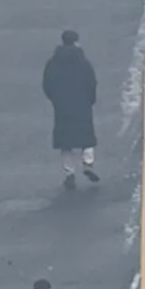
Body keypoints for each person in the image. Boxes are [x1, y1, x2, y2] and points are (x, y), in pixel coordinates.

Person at [41, 28, 99, 189]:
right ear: (76, 42)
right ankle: (88, 164)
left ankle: (69, 173)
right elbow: (91, 82)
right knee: (87, 136)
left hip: (62, 105)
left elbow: (47, 84)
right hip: (82, 103)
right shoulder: (83, 62)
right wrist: (90, 99)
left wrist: (56, 100)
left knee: (65, 141)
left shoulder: (53, 62)